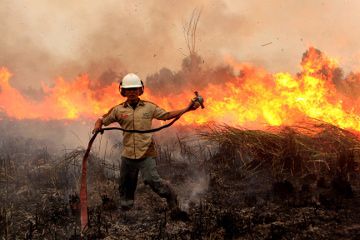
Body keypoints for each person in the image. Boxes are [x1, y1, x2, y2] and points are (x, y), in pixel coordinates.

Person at [92, 73, 200, 212]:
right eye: (128, 90)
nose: (131, 92)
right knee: (126, 184)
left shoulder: (149, 107)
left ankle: (170, 195)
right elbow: (102, 119)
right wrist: (97, 125)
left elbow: (166, 115)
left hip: (146, 152)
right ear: (123, 91)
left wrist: (187, 108)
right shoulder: (118, 110)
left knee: (152, 180)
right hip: (128, 154)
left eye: (134, 89)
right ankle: (127, 208)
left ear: (140, 90)